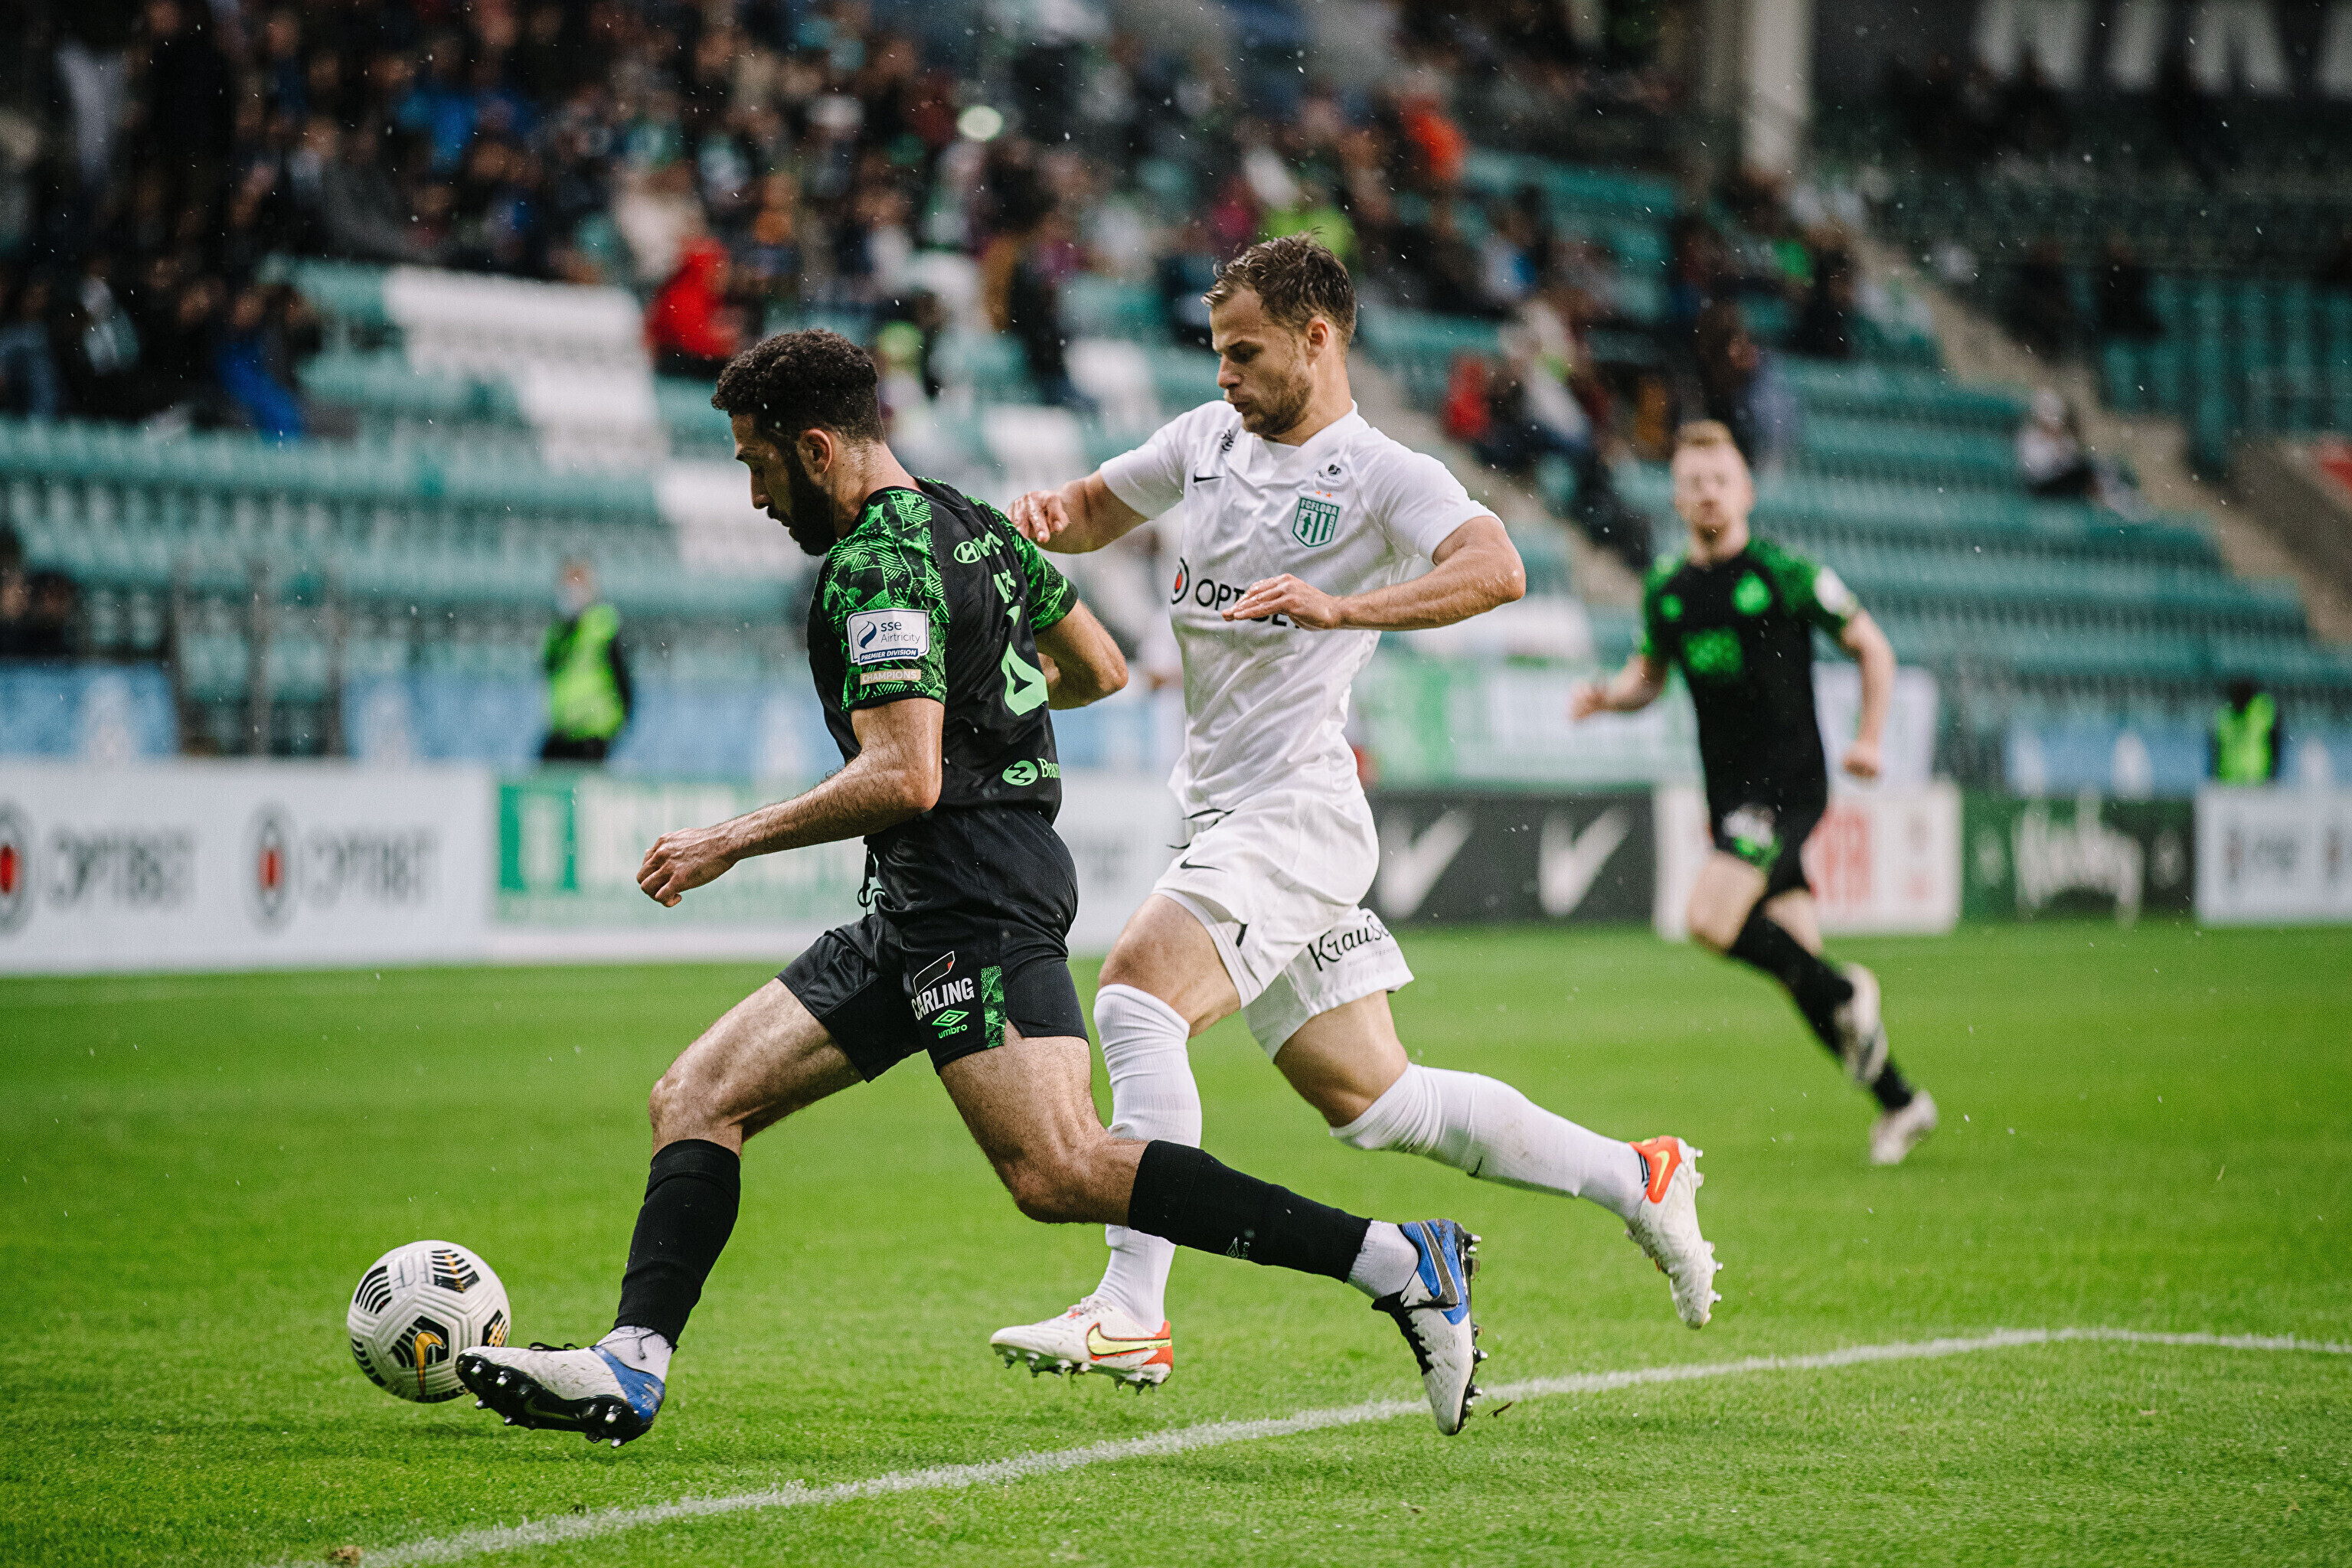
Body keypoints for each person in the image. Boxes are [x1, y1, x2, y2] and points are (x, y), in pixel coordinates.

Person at [457, 329, 1494, 1446]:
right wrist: (984, 713)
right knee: (697, 1096)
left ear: (817, 450)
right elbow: (1098, 666)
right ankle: (632, 1361)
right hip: (919, 900)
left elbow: (904, 777)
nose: (755, 495)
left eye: (758, 464)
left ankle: (1397, 1260)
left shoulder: (878, 562)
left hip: (975, 898)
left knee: (1059, 1168)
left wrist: (732, 839)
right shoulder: (977, 526)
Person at [989, 236, 1717, 1388]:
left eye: (1245, 352)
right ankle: (1639, 1176)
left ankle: (1131, 1308)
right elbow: (1089, 508)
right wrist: (1040, 517)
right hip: (1227, 814)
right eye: (1217, 351)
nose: (1224, 373)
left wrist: (1345, 609)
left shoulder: (1381, 472)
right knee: (1378, 1101)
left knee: (1136, 996)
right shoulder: (1205, 441)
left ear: (1317, 338)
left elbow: (1497, 567)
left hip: (1295, 815)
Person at [1570, 421, 1938, 1167]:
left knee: (1709, 919)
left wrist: (1870, 738)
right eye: (1694, 482)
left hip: (1787, 783)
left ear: (1746, 492)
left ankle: (1847, 990)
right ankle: (1902, 1102)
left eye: (1720, 480)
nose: (1708, 492)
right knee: (1798, 964)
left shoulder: (1784, 573)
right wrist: (1610, 698)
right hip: (1729, 794)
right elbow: (1650, 675)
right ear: (1677, 498)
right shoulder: (1668, 590)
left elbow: (1872, 646)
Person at [540, 559, 632, 763]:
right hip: (563, 730)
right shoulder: (557, 633)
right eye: (567, 588)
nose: (571, 595)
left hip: (594, 733)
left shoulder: (603, 627)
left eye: (577, 587)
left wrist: (617, 724)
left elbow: (623, 680)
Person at [2211, 678, 2284, 784]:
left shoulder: (2263, 712)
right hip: (2229, 780)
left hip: (2257, 779)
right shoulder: (2224, 716)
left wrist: (2273, 776)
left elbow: (2276, 744)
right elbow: (2215, 750)